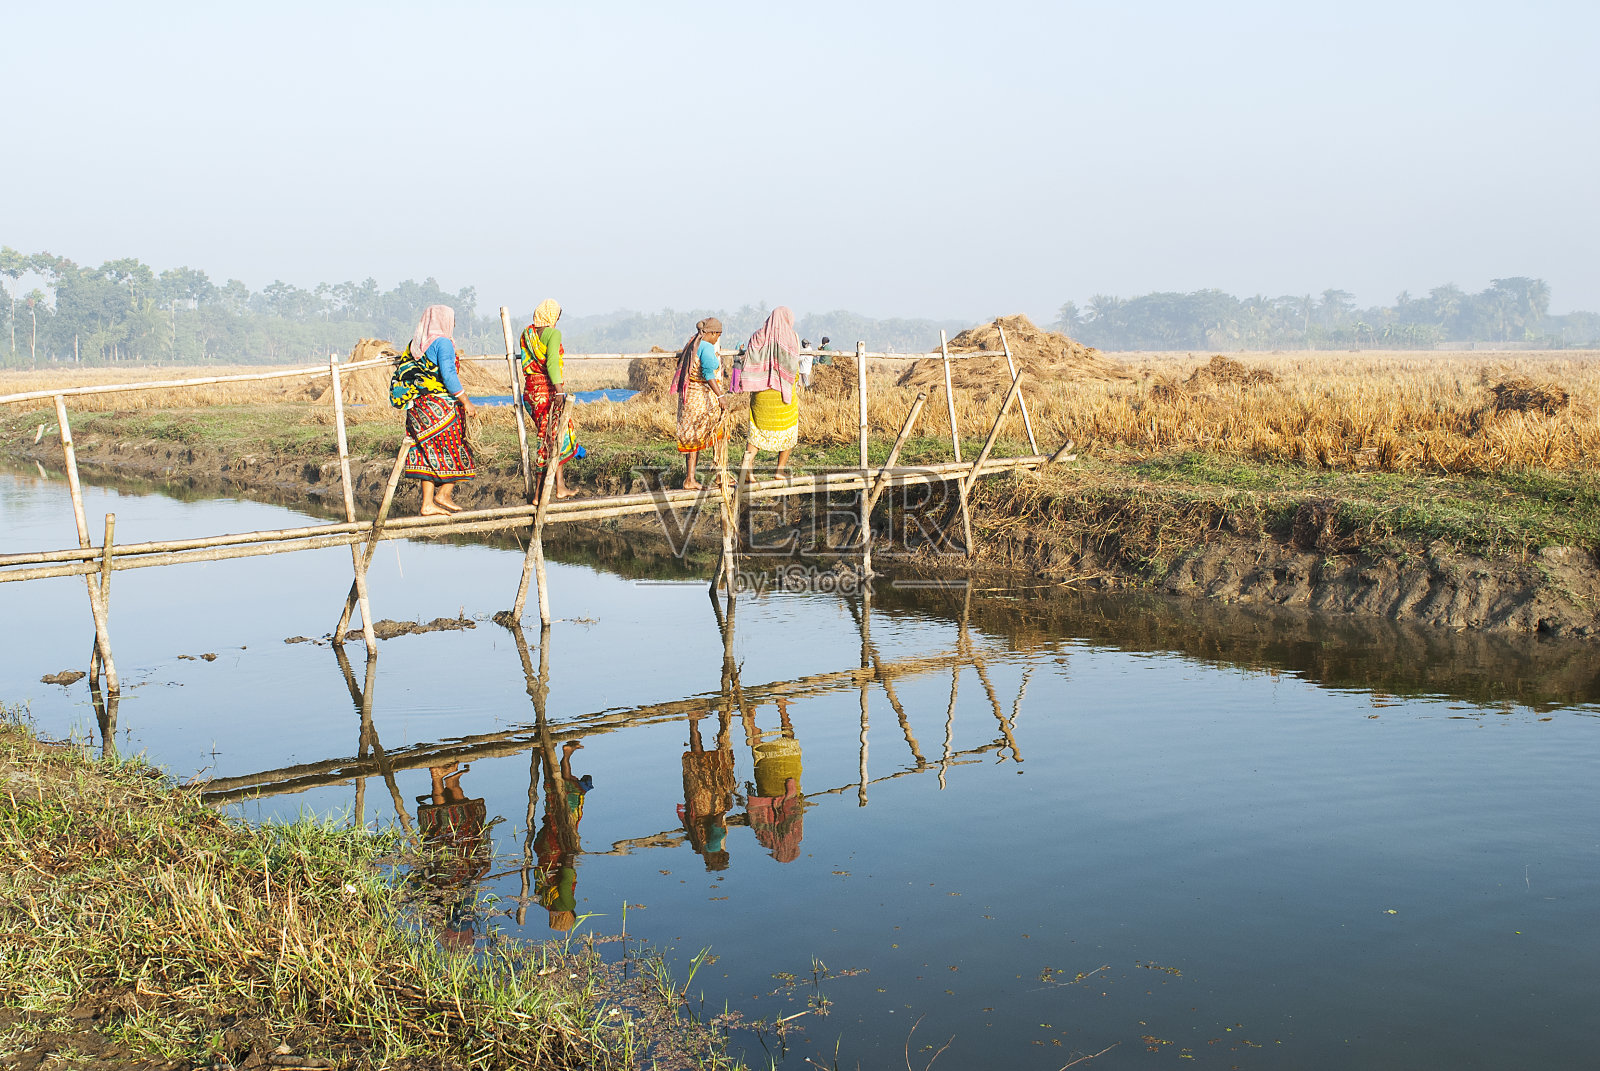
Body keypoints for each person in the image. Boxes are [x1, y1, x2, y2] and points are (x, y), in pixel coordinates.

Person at [395, 304, 476, 516]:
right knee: (458, 448)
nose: (454, 323)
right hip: (439, 407)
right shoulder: (443, 343)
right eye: (453, 319)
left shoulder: (416, 344)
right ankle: (443, 494)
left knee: (426, 452)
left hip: (418, 407)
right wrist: (465, 400)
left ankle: (428, 503)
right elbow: (449, 375)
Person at [415, 762, 491, 951]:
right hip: (441, 866)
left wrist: (481, 871)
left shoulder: (461, 922)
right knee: (443, 824)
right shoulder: (438, 918)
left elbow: (467, 891)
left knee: (459, 822)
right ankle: (444, 779)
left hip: (458, 868)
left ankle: (446, 780)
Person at [519, 298, 580, 499]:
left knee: (554, 435)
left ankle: (560, 486)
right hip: (547, 392)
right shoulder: (553, 334)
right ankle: (538, 493)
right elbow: (553, 364)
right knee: (547, 440)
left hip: (530, 392)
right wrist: (560, 391)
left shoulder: (527, 334)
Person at [732, 306, 803, 475]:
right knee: (788, 430)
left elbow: (749, 358)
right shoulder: (792, 337)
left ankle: (747, 470)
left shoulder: (757, 336)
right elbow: (794, 366)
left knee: (756, 433)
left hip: (760, 392)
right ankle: (779, 471)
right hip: (783, 392)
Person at [534, 740, 594, 931]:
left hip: (558, 849)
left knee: (570, 797)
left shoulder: (566, 905)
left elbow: (567, 877)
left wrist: (571, 851)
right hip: (543, 848)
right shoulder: (543, 902)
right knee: (552, 795)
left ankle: (566, 754)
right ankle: (544, 754)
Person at [672, 316, 730, 489]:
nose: (717, 339)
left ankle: (690, 479)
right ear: (711, 333)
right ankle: (720, 475)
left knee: (692, 436)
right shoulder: (706, 347)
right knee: (719, 431)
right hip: (701, 400)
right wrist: (721, 396)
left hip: (688, 398)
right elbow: (708, 373)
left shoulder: (693, 343)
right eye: (717, 335)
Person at [678, 711, 736, 871]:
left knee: (715, 763)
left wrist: (725, 809)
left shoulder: (715, 844)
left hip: (710, 802)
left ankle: (720, 717)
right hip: (696, 803)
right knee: (696, 759)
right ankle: (693, 722)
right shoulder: (698, 847)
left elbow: (717, 821)